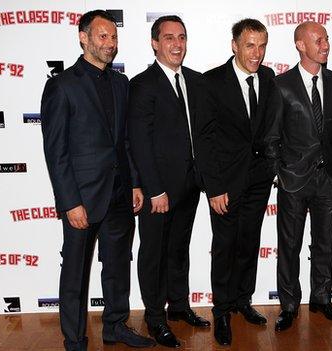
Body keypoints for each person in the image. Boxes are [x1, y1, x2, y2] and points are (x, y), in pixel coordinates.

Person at [40, 10, 154, 351]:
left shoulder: (121, 83)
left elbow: (126, 142)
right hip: (82, 198)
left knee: (118, 265)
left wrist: (134, 182)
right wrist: (69, 201)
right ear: (83, 38)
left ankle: (115, 326)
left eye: (114, 37)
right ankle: (74, 339)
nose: (110, 43)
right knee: (75, 273)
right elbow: (56, 151)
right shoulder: (62, 85)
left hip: (119, 195)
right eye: (102, 36)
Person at [127, 15, 213, 348]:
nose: (177, 44)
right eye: (168, 38)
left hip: (191, 185)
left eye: (181, 37)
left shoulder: (195, 80)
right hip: (159, 191)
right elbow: (139, 142)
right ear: (154, 43)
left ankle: (178, 307)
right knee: (153, 254)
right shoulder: (143, 84)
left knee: (178, 250)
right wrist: (155, 190)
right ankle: (155, 318)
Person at [266, 21, 332, 332]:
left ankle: (322, 298)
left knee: (324, 243)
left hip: (330, 179)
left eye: (326, 38)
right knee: (289, 244)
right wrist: (280, 171)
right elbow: (271, 135)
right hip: (294, 180)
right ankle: (289, 305)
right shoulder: (281, 84)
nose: (325, 44)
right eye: (318, 40)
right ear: (300, 45)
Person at [199, 18, 276, 346]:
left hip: (259, 180)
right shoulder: (212, 81)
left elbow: (269, 126)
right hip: (225, 183)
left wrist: (272, 167)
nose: (256, 53)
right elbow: (203, 140)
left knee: (249, 242)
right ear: (235, 45)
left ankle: (243, 300)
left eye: (261, 45)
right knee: (225, 246)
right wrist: (214, 187)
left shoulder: (269, 77)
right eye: (249, 45)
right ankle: (222, 309)